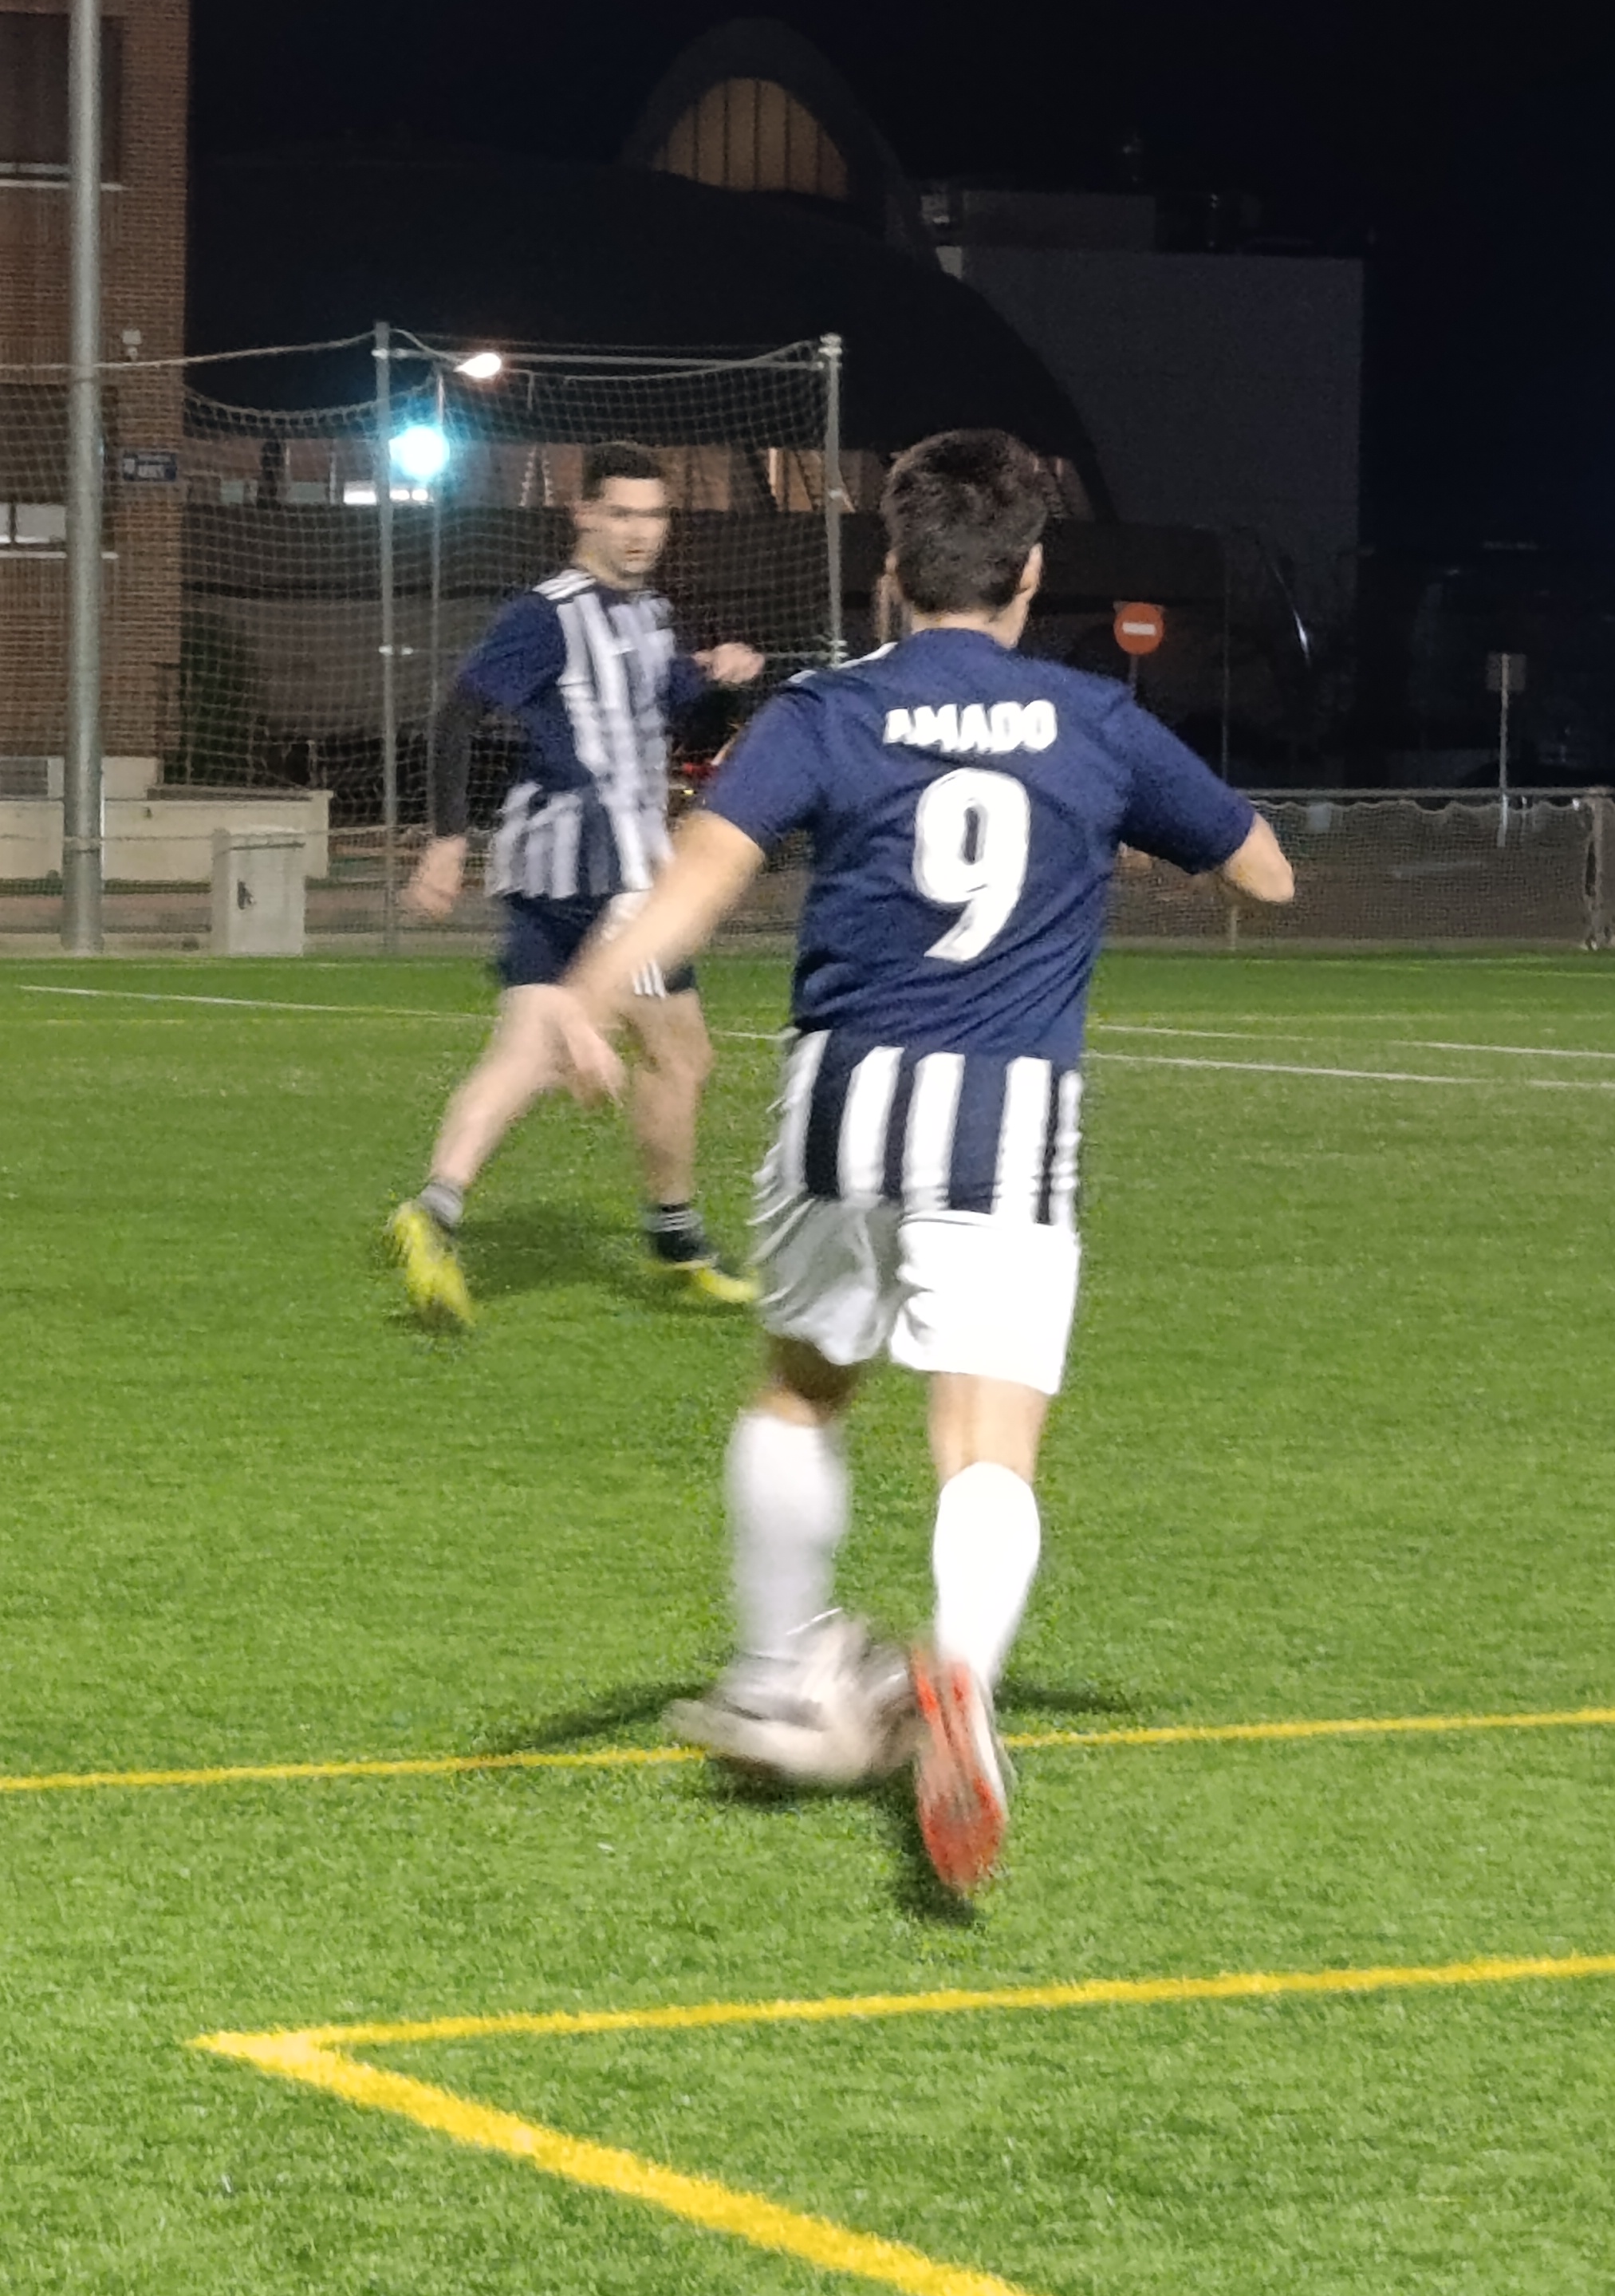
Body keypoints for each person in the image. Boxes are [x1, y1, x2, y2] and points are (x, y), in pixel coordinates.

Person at [547, 429, 1294, 1892]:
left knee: (803, 1387)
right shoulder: (1093, 719)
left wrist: (587, 991)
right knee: (984, 1441)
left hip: (842, 1105)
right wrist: (1125, 832)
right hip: (1002, 1121)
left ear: (891, 572)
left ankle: (779, 1673)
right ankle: (961, 1672)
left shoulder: (829, 711)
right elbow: (1265, 870)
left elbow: (699, 873)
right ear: (1032, 575)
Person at [384, 441, 766, 1326]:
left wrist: (721, 681)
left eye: (654, 515)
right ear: (584, 513)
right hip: (606, 869)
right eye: (621, 513)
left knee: (525, 1051)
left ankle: (434, 1209)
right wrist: (445, 840)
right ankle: (677, 1242)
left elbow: (676, 716)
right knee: (679, 1053)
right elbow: (458, 712)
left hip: (551, 868)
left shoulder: (650, 615)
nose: (640, 532)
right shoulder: (546, 614)